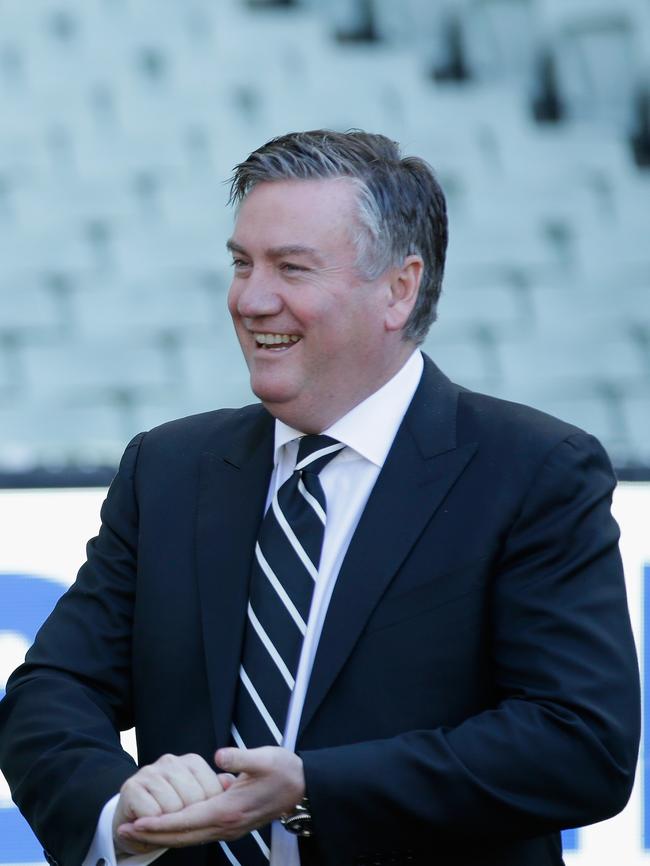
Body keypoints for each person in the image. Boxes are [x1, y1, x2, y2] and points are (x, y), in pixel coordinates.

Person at [0, 130, 640, 866]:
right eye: (241, 264)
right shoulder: (168, 468)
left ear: (399, 289)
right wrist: (118, 805)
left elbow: (579, 742)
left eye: (291, 269)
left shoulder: (533, 471)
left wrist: (313, 791)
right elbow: (52, 689)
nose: (251, 298)